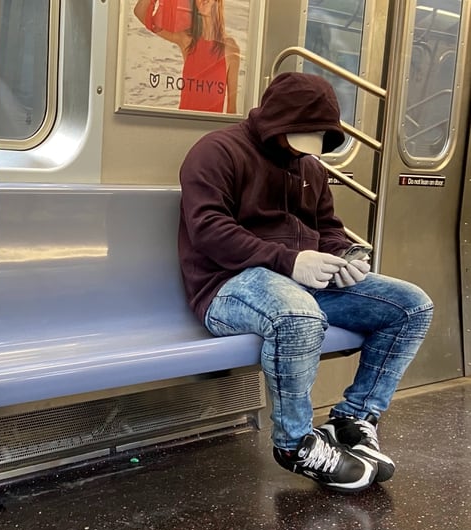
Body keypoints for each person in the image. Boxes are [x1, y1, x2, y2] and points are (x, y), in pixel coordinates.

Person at [178, 72, 433, 492]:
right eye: (300, 132)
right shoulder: (216, 152)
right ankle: (295, 443)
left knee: (411, 306)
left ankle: (354, 418)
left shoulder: (310, 168)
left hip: (302, 282)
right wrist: (289, 260)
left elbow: (328, 227)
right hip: (228, 284)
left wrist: (344, 256)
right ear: (275, 121)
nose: (306, 146)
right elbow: (208, 230)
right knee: (298, 316)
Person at [133, 0, 240, 113]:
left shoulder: (231, 49)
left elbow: (232, 110)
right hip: (182, 125)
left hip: (211, 128)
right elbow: (140, 12)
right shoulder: (187, 40)